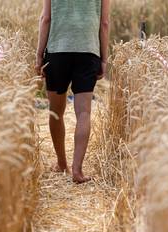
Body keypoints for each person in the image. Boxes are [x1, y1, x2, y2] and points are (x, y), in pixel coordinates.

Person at [35, 0, 110, 183]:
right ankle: (77, 171)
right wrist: (104, 59)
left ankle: (61, 163)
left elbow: (46, 18)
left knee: (56, 112)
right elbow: (105, 23)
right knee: (83, 113)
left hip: (57, 51)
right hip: (88, 51)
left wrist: (38, 55)